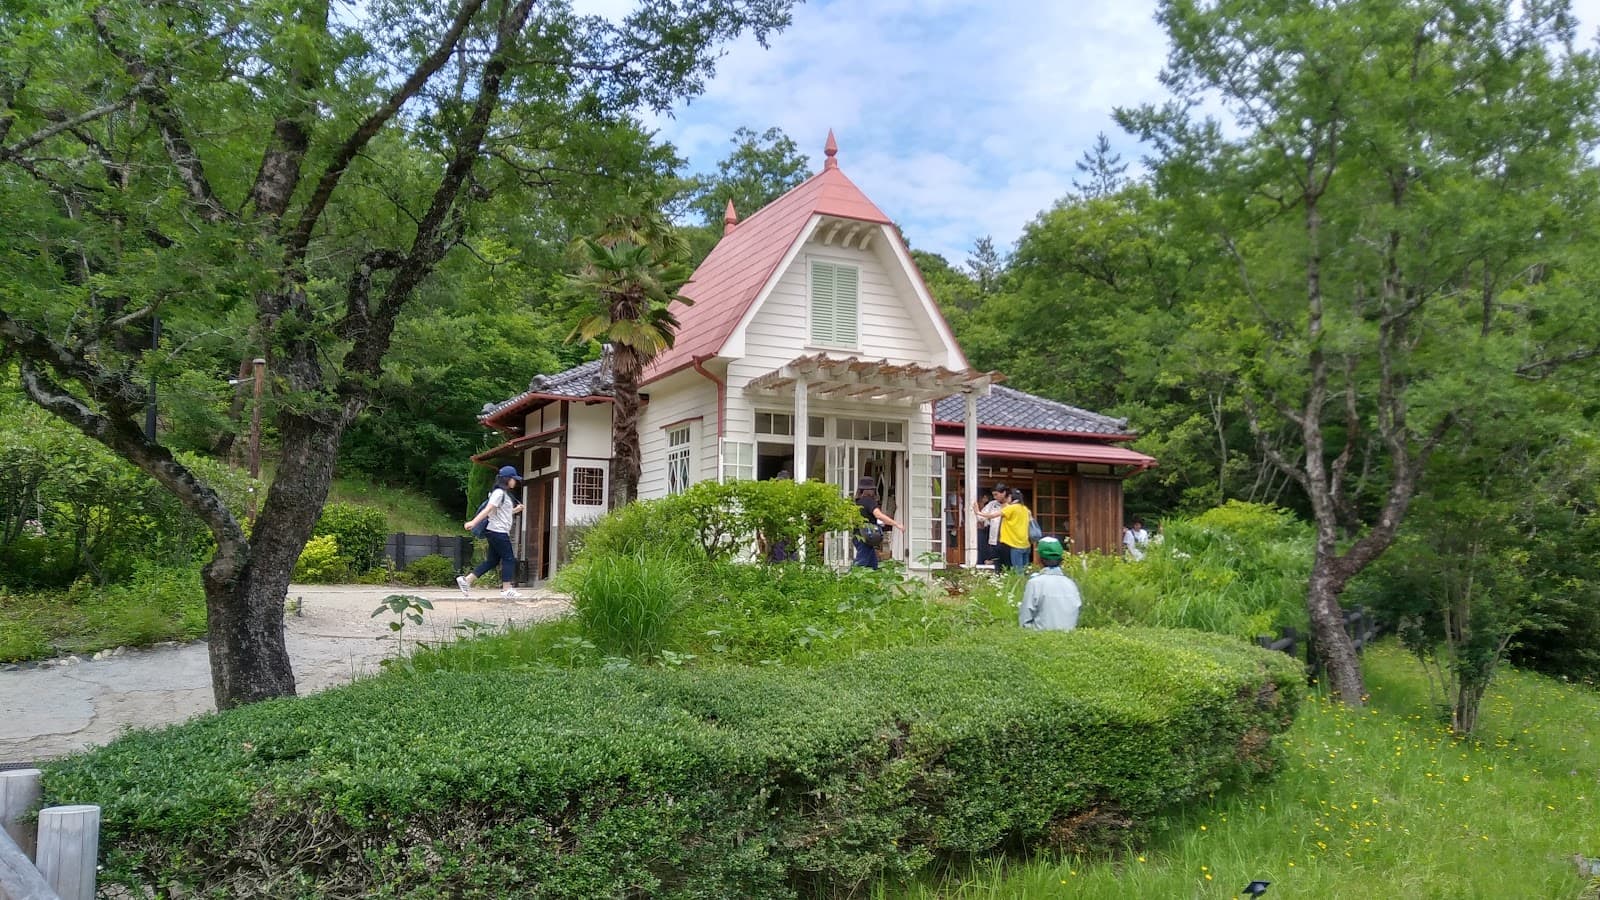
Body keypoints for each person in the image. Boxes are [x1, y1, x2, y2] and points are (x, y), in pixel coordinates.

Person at [458, 465, 526, 599]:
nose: (515, 481)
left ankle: (467, 580)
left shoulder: (503, 494)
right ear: (507, 479)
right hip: (498, 531)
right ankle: (507, 589)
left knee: (492, 561)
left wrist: (515, 510)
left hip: (496, 531)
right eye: (513, 479)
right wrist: (473, 522)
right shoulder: (499, 493)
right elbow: (488, 509)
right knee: (509, 558)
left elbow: (500, 513)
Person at [1019, 536, 1081, 631]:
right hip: (1068, 639)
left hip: (1039, 640)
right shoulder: (1071, 584)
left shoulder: (1034, 583)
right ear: (1061, 560)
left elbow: (1025, 621)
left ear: (1040, 559)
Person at [976, 486, 1032, 571]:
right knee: (1021, 569)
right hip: (1023, 543)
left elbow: (993, 515)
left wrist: (978, 512)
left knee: (1013, 569)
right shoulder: (1025, 509)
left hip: (1011, 542)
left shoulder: (1011, 508)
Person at [852, 475, 902, 569]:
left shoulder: (857, 502)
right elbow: (879, 515)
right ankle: (847, 581)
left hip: (858, 536)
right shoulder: (869, 501)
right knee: (860, 564)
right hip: (866, 537)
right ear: (871, 490)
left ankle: (875, 582)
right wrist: (896, 524)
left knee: (873, 564)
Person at [973, 482, 1008, 571]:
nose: (995, 497)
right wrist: (977, 512)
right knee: (996, 563)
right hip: (994, 539)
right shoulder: (992, 504)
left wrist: (980, 513)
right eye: (993, 495)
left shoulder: (1010, 505)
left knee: (1007, 564)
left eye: (996, 494)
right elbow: (981, 517)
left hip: (1008, 540)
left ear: (1003, 493)